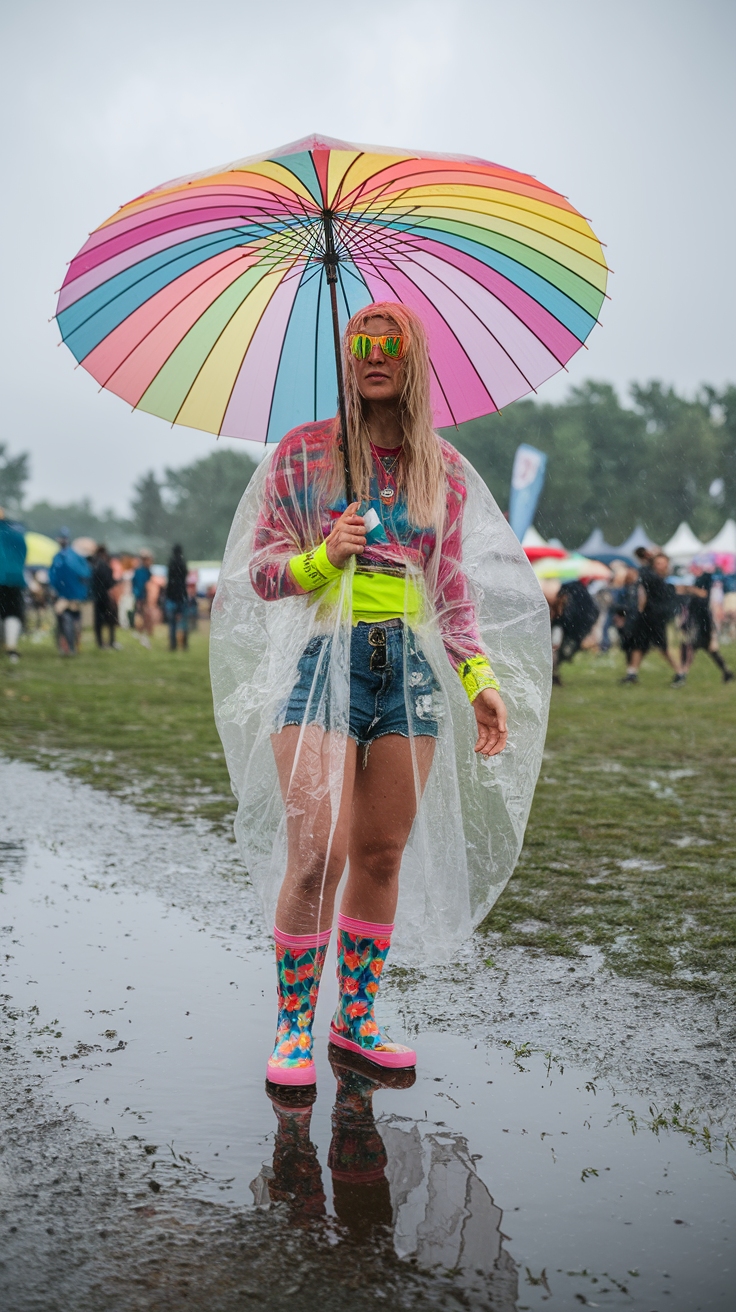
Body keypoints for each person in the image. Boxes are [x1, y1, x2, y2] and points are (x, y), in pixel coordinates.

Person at [210, 302, 550, 1089]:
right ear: (346, 354)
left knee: (380, 853)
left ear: (411, 360)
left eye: (388, 345)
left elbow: (454, 593)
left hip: (409, 675)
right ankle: (294, 1026)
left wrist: (482, 682)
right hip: (321, 662)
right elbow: (261, 572)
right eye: (359, 342)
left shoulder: (442, 468)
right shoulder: (304, 455)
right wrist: (323, 559)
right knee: (317, 853)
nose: (372, 354)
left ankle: (355, 1017)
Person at [622, 551, 705, 686]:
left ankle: (680, 674)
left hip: (655, 617)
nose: (661, 566)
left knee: (662, 647)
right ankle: (632, 673)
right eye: (658, 563)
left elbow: (665, 590)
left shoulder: (656, 579)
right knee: (638, 644)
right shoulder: (652, 576)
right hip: (647, 615)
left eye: (663, 564)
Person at [680, 568, 733, 682]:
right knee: (709, 650)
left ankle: (682, 674)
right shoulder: (701, 595)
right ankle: (727, 672)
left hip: (701, 626)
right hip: (701, 625)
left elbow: (702, 608)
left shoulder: (702, 596)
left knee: (690, 649)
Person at [48, 529, 91, 655]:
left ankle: (70, 647)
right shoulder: (62, 556)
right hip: (67, 594)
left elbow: (85, 574)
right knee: (68, 620)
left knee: (68, 621)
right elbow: (53, 576)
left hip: (70, 594)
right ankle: (68, 647)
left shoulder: (70, 557)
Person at [549, 579, 599, 685]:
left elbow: (559, 608)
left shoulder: (567, 589)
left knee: (555, 648)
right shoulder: (583, 593)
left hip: (562, 625)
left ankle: (554, 673)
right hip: (572, 627)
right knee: (559, 649)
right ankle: (554, 673)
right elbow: (593, 612)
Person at [0, 506, 27, 664]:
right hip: (14, 579)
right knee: (13, 613)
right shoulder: (17, 535)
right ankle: (11, 648)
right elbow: (23, 556)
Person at [91, 545, 120, 649]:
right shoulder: (106, 566)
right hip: (106, 597)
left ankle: (100, 643)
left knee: (98, 621)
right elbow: (110, 583)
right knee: (110, 620)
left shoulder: (94, 566)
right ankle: (111, 641)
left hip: (97, 597)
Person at [164, 544, 189, 651]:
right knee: (183, 622)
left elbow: (169, 580)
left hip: (171, 596)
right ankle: (184, 644)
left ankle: (173, 644)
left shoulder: (171, 563)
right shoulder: (183, 564)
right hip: (182, 595)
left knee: (172, 623)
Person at [132, 550, 154, 647]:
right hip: (142, 597)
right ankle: (141, 632)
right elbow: (140, 585)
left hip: (143, 596)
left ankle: (143, 632)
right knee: (141, 614)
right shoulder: (141, 571)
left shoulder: (146, 571)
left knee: (143, 614)